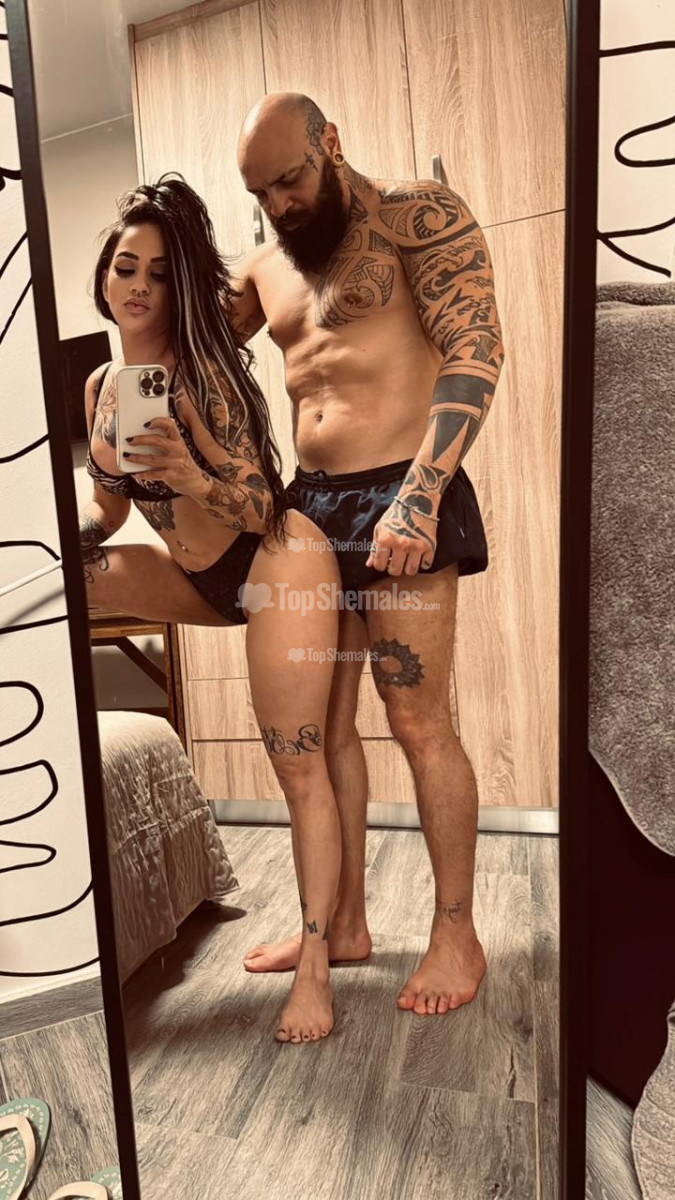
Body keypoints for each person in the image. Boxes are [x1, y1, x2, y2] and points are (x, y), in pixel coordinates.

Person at [234, 94, 505, 1017]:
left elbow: (474, 346)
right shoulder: (265, 267)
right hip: (307, 512)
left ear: (330, 143)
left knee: (417, 720)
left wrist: (421, 495)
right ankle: (342, 924)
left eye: (289, 180)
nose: (278, 205)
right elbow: (188, 346)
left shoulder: (413, 216)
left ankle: (456, 932)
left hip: (402, 491)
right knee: (324, 729)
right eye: (260, 193)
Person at [79, 175, 344, 1045]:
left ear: (179, 288)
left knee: (296, 764)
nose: (139, 286)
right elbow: (110, 510)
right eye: (126, 267)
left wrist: (190, 473)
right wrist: (75, 527)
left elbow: (260, 505)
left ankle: (315, 965)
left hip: (275, 560)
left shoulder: (201, 378)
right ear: (104, 278)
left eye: (160, 273)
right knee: (69, 577)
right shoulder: (104, 387)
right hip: (195, 576)